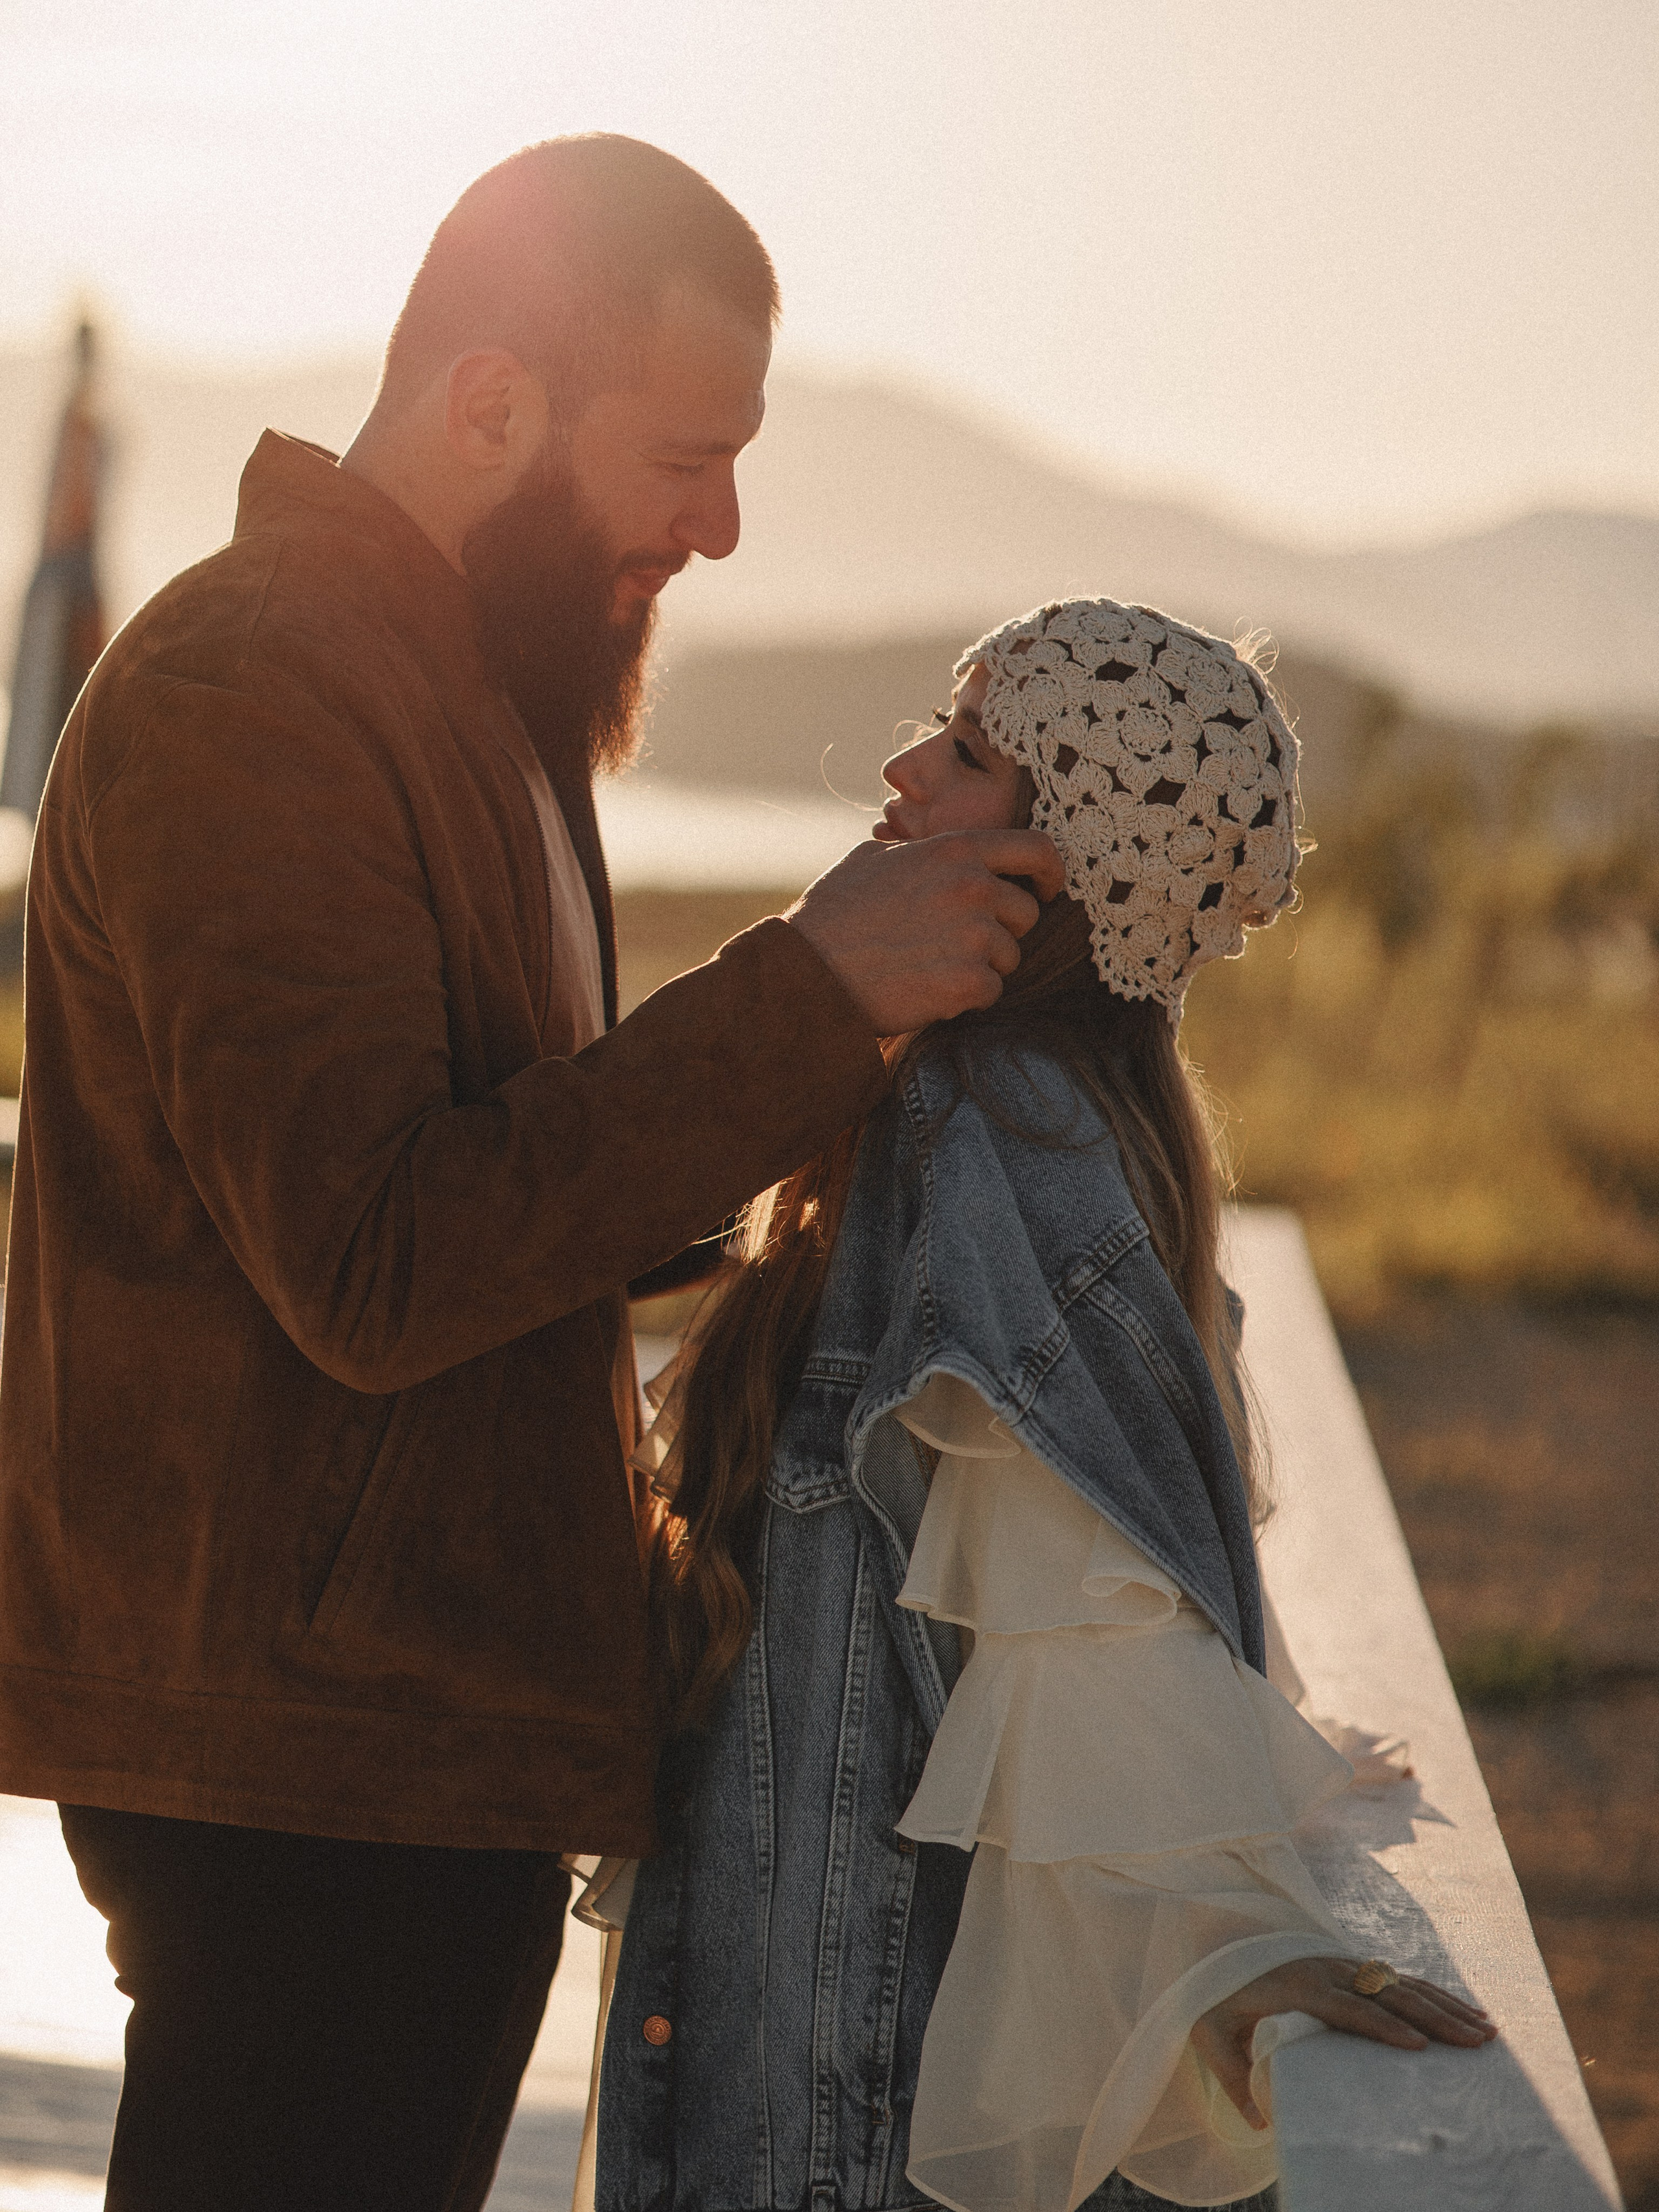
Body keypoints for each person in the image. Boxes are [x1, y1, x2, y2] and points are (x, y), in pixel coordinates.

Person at [0, 136, 1063, 2212]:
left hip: (396, 1742)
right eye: (686, 454)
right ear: (493, 402)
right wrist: (801, 998)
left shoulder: (462, 689)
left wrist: (835, 1078)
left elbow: (510, 1180)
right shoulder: (255, 690)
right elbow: (380, 1252)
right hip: (312, 1766)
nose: (723, 525)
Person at [583, 598, 1496, 2212]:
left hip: (833, 2098)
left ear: (1063, 864)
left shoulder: (985, 1130)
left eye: (968, 753)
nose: (900, 767)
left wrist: (1235, 1941)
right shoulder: (1065, 1111)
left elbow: (1080, 1604)